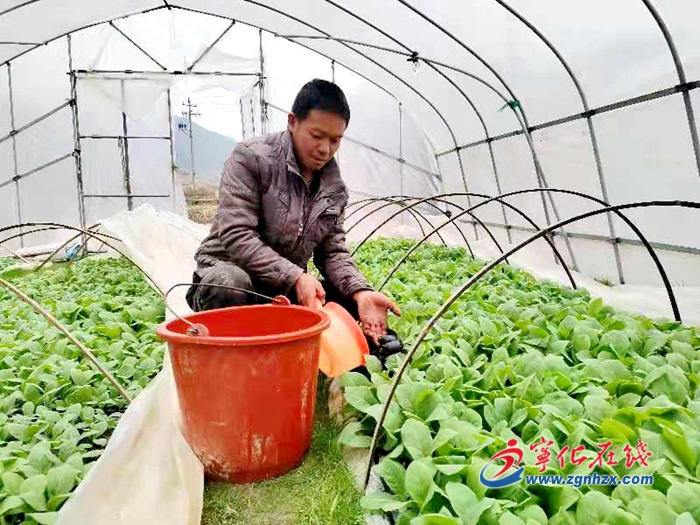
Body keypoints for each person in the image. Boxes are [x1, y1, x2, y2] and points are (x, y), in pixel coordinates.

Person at [185, 79, 402, 356]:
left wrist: (360, 292)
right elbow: (236, 235)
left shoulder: (334, 189)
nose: (325, 149)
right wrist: (296, 276)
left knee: (349, 304)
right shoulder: (251, 158)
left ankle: (358, 353)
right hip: (232, 274)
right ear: (292, 122)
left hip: (283, 288)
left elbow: (332, 253)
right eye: (317, 135)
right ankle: (233, 362)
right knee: (229, 283)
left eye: (335, 140)